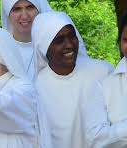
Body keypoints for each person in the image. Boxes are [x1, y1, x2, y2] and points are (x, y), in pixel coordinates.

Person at [31, 11, 114, 148]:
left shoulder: (103, 71)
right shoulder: (36, 88)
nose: (69, 45)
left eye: (72, 36)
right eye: (59, 40)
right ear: (43, 47)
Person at [1, 0, 87, 80]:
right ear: (7, 13)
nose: (24, 16)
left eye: (30, 7)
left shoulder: (60, 43)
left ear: (39, 8)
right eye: (16, 9)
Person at [83, 12, 127, 148]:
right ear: (119, 42)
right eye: (126, 39)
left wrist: (115, 132)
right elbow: (95, 138)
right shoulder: (104, 86)